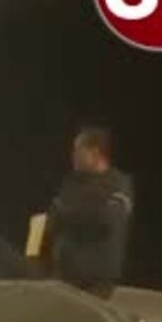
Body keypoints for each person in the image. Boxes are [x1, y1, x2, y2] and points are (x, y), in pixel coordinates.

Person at [41, 125, 133, 299]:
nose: (73, 155)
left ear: (95, 152)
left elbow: (108, 220)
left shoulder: (118, 184)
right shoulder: (71, 184)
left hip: (95, 283)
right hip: (63, 278)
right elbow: (51, 220)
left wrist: (68, 214)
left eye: (78, 150)